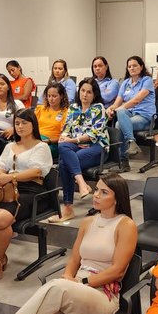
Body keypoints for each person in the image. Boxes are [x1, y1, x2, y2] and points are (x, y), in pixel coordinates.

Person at [0, 173, 137, 314]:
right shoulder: (88, 222)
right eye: (96, 190)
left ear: (117, 198)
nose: (96, 195)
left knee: (57, 286)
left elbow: (118, 270)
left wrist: (81, 282)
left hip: (103, 296)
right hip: (75, 288)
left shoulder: (125, 225)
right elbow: (74, 259)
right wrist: (69, 277)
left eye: (104, 192)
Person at [0, 109, 52, 285]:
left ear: (33, 124)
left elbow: (38, 171)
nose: (20, 126)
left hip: (31, 191)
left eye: (24, 122)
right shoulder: (10, 146)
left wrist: (10, 176)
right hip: (7, 188)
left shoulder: (42, 146)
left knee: (1, 218)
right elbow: (0, 166)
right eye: (17, 123)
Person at [51, 78, 109, 223]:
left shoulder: (99, 108)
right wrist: (64, 138)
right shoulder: (73, 108)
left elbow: (94, 134)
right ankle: (82, 183)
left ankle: (68, 208)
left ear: (94, 94)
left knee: (64, 163)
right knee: (62, 146)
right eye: (83, 91)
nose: (85, 94)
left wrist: (74, 140)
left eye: (89, 92)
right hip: (75, 145)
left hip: (96, 146)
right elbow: (66, 129)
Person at [106, 56, 155, 173]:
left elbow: (136, 100)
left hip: (145, 116)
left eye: (135, 65)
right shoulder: (125, 83)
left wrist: (118, 109)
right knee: (121, 112)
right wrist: (110, 108)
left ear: (141, 67)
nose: (132, 68)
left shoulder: (147, 80)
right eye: (129, 66)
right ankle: (131, 142)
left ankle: (124, 162)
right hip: (130, 114)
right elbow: (117, 102)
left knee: (118, 124)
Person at [34, 82, 69, 159]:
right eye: (49, 96)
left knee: (38, 150)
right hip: (37, 139)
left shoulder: (66, 112)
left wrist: (49, 141)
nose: (51, 99)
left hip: (52, 143)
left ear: (62, 96)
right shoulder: (40, 109)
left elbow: (64, 136)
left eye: (54, 96)